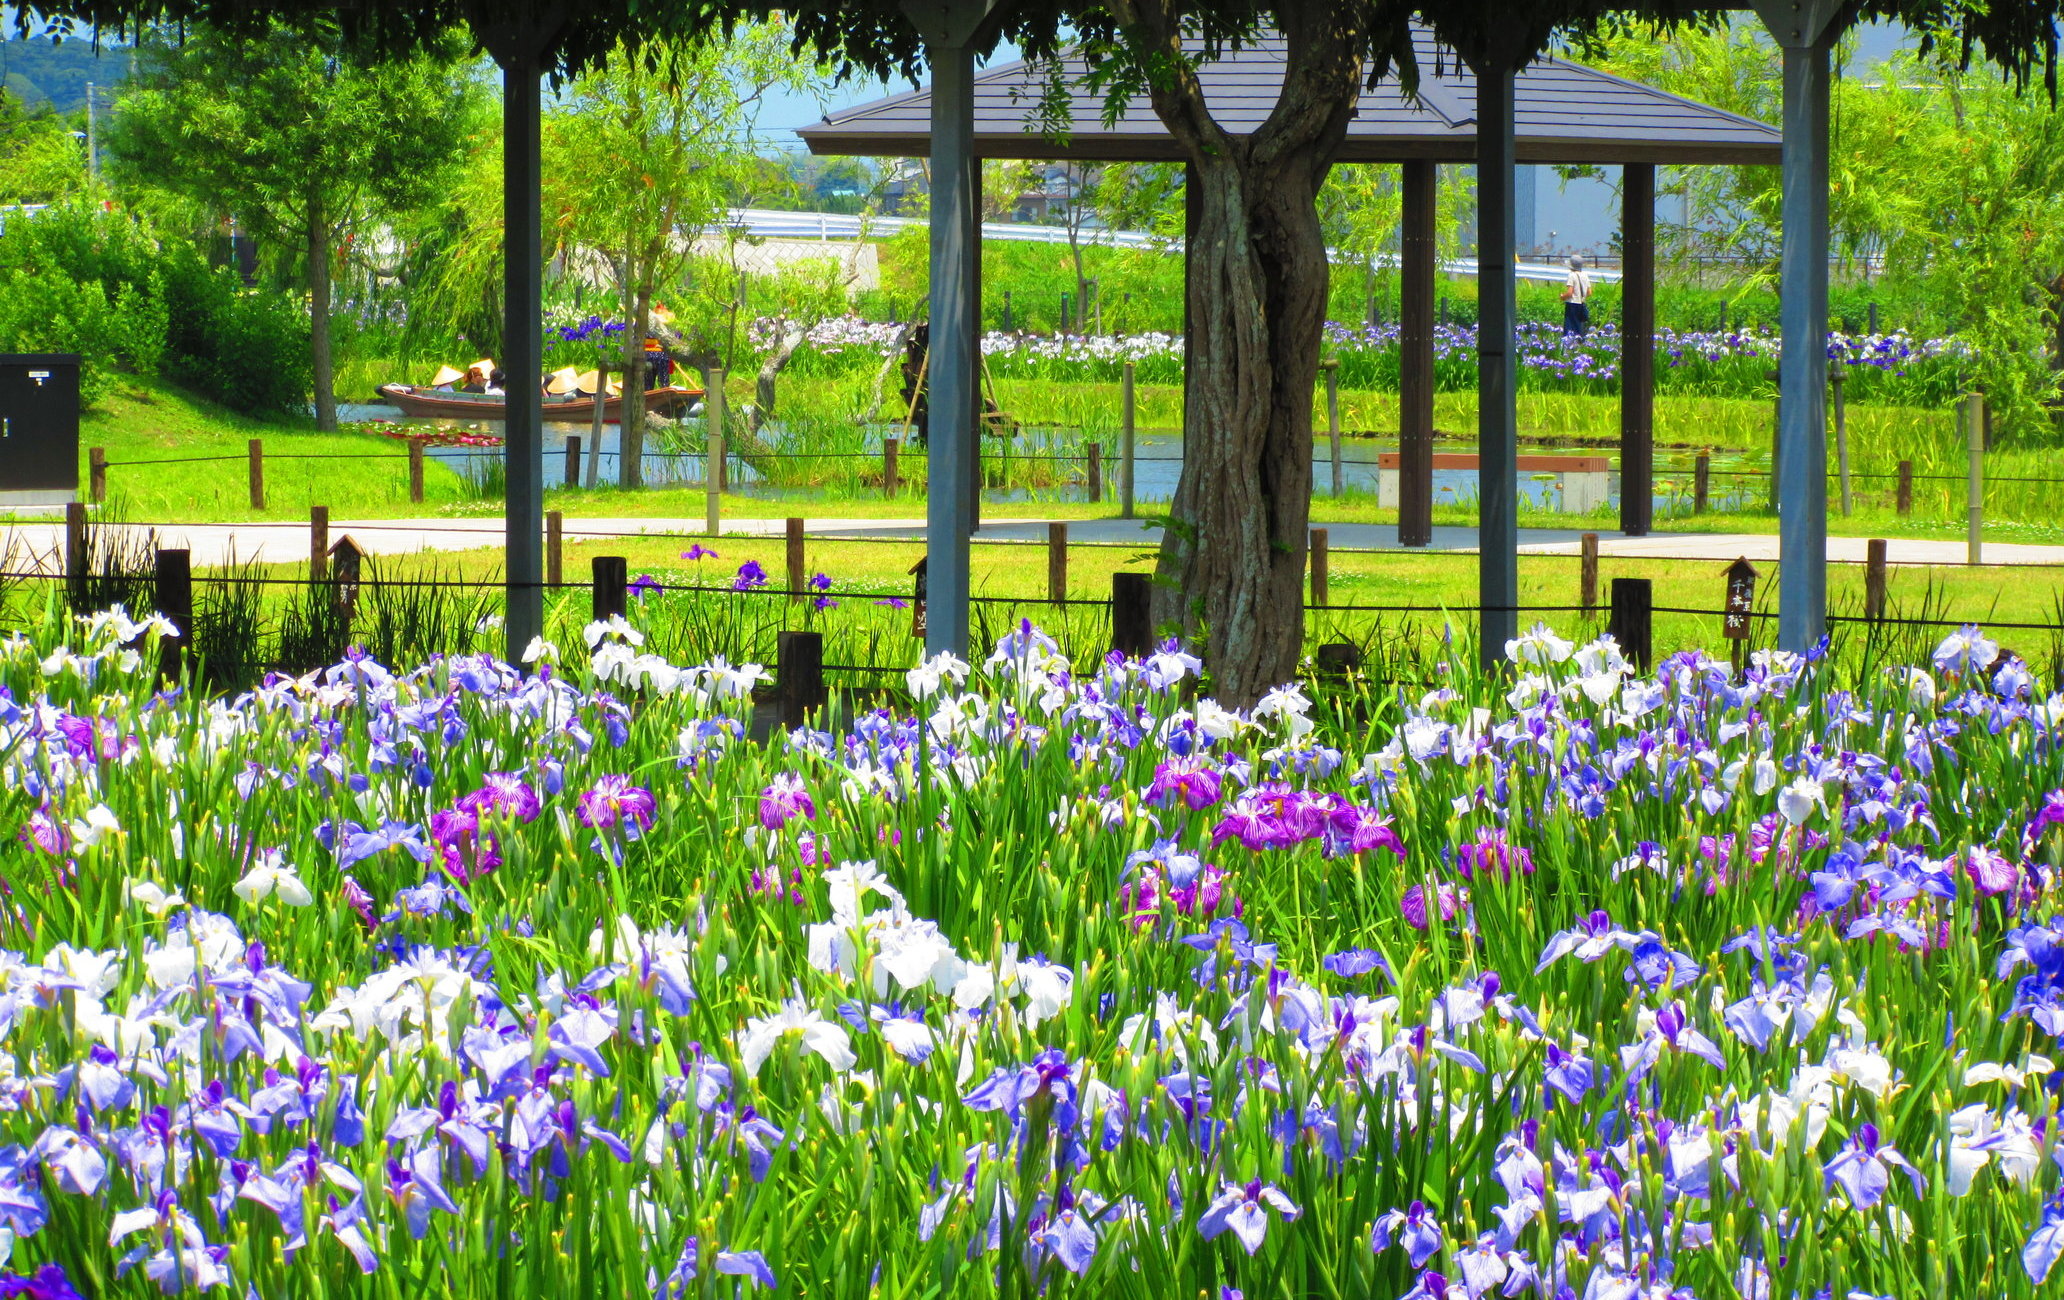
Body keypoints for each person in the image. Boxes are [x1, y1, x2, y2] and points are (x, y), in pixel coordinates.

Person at [1561, 255, 1593, 337]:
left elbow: (1570, 293)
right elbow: (1589, 292)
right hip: (1581, 304)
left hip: (1572, 304)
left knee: (1570, 327)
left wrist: (1562, 296)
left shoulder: (1571, 275)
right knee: (1579, 327)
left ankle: (1569, 343)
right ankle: (1579, 342)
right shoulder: (1585, 275)